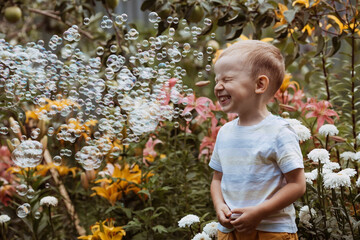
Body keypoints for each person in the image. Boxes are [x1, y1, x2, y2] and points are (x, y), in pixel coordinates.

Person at [209, 40, 306, 240]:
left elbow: (297, 185)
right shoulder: (225, 132)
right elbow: (217, 179)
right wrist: (220, 206)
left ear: (259, 84)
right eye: (217, 80)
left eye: (227, 79)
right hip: (229, 231)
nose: (218, 86)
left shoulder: (279, 132)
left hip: (271, 231)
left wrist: (259, 212)